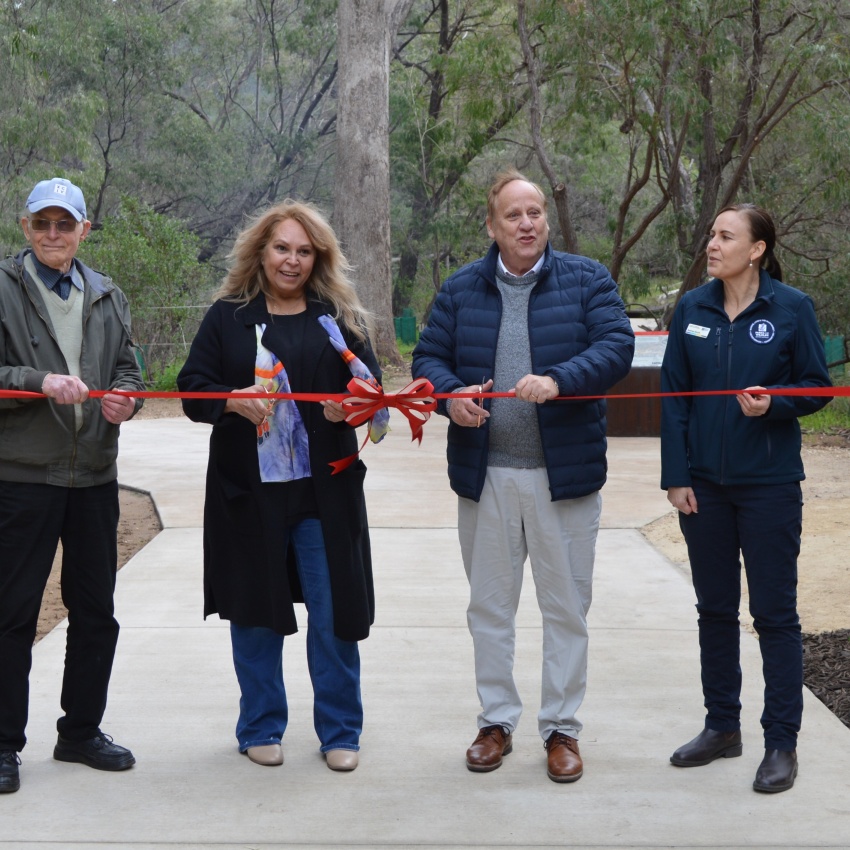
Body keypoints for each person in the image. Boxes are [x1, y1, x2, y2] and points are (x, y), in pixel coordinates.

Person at [412, 169, 634, 782]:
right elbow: (427, 358)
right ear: (492, 226)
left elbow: (616, 346)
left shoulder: (588, 280)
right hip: (486, 479)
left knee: (567, 609)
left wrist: (561, 379)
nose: (528, 223)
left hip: (564, 480)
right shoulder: (459, 290)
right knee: (489, 608)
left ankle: (562, 729)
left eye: (535, 212)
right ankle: (495, 721)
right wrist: (450, 396)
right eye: (514, 214)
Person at [177, 200, 384, 772]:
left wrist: (355, 410)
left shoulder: (338, 317)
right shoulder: (227, 317)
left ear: (318, 258)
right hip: (249, 496)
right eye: (281, 248)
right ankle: (260, 726)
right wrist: (229, 401)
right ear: (261, 252)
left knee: (334, 611)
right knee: (254, 612)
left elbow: (374, 389)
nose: (291, 261)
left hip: (326, 495)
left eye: (304, 250)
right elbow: (192, 389)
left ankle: (341, 731)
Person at [661, 203, 831, 794]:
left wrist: (775, 403)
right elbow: (675, 397)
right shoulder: (691, 308)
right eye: (711, 233)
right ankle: (721, 727)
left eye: (726, 236)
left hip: (769, 487)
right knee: (714, 611)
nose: (713, 243)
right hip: (703, 488)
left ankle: (781, 742)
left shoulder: (792, 308)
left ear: (757, 249)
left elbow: (817, 389)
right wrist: (676, 476)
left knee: (775, 616)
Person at [0, 177, 145, 794]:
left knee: (96, 613)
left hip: (94, 478)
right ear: (26, 229)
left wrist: (127, 402)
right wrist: (38, 381)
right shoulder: (3, 288)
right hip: (21, 478)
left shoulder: (107, 294)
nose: (53, 235)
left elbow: (130, 369)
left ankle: (80, 732)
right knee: (12, 614)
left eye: (66, 224)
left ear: (85, 230)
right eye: (42, 224)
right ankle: (4, 746)